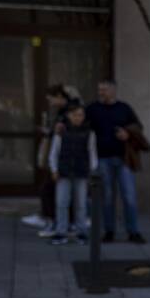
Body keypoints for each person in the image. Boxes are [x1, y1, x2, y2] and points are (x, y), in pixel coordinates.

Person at [85, 80, 145, 243]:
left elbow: (138, 126)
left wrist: (127, 134)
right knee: (107, 197)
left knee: (129, 196)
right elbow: (80, 124)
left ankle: (133, 231)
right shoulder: (92, 109)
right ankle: (109, 231)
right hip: (103, 159)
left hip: (124, 159)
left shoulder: (124, 108)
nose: (101, 93)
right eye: (99, 90)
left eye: (104, 90)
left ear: (113, 91)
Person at [23, 85, 76, 236]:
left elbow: (70, 132)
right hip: (58, 156)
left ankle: (53, 221)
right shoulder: (61, 112)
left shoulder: (70, 111)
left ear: (60, 96)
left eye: (51, 99)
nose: (50, 102)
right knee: (52, 189)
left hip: (64, 158)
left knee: (50, 189)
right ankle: (58, 221)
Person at [47, 102, 98, 245]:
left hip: (81, 173)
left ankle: (81, 232)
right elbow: (54, 153)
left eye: (81, 115)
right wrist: (54, 170)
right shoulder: (61, 132)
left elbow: (92, 154)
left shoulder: (89, 133)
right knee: (62, 203)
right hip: (63, 172)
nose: (78, 118)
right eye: (75, 115)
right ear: (69, 116)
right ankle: (60, 232)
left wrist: (92, 171)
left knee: (81, 204)